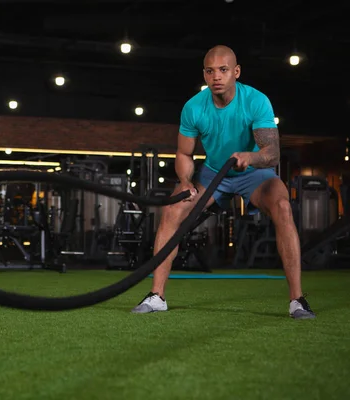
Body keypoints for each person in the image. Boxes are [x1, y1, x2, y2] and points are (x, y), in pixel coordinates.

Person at [132, 45, 315, 319]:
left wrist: (250, 157)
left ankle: (297, 300)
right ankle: (157, 295)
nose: (216, 76)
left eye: (223, 70)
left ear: (236, 72)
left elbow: (272, 154)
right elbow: (184, 153)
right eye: (210, 71)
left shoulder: (256, 101)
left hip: (255, 172)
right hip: (214, 173)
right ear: (204, 75)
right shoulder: (193, 107)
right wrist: (184, 180)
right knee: (172, 210)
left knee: (282, 207)